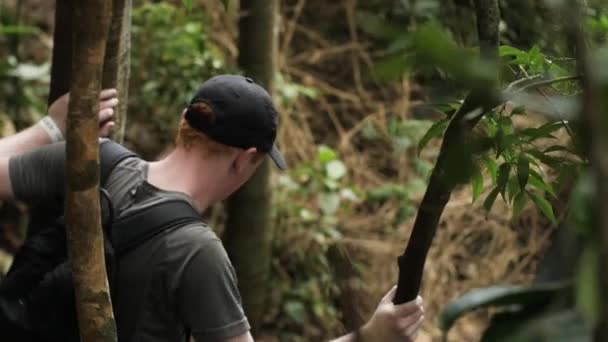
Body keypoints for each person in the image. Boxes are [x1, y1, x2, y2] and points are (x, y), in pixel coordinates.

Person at [0, 75, 423, 342]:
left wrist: (50, 129)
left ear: (184, 122)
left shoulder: (96, 160)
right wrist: (369, 337)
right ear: (245, 159)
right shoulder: (196, 252)